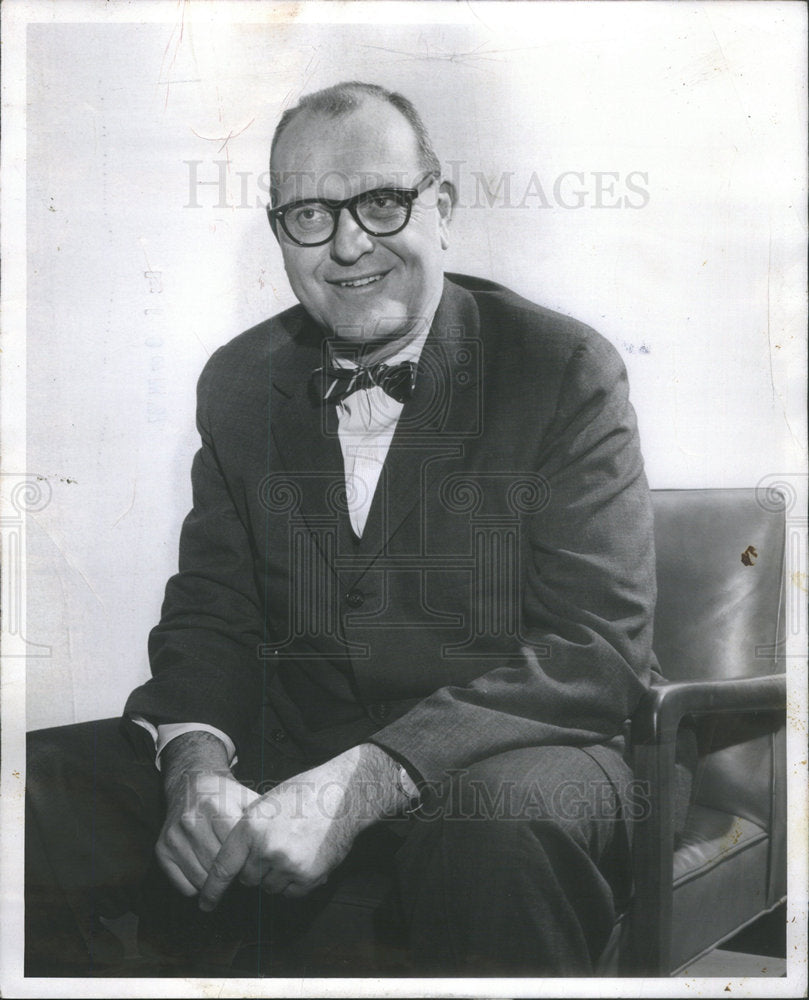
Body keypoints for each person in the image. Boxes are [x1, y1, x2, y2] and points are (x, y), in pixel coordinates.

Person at [26, 80, 677, 978]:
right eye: (309, 215)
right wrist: (196, 771)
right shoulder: (241, 380)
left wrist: (365, 779)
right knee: (44, 783)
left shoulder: (561, 366)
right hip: (301, 752)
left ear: (439, 208)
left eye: (380, 201)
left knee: (492, 826)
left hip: (530, 753)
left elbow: (594, 649)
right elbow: (213, 615)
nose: (347, 245)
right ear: (277, 233)